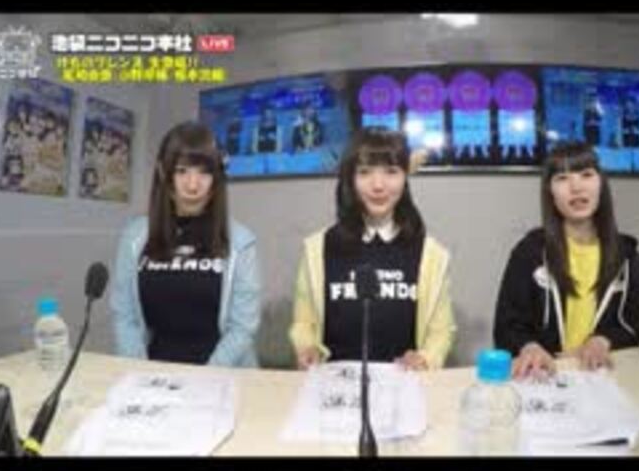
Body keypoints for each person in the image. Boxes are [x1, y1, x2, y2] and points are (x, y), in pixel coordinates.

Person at [290, 128, 454, 370]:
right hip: (333, 382)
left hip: (404, 383)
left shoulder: (431, 255)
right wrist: (307, 348)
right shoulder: (318, 248)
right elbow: (304, 323)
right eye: (365, 172)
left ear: (405, 177)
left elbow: (441, 331)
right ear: (350, 178)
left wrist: (426, 359)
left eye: (391, 172)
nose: (378, 185)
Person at [110, 121, 261, 367]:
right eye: (182, 171)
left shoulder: (240, 241)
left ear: (217, 176)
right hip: (152, 375)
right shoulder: (135, 237)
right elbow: (124, 318)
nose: (193, 185)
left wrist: (203, 378)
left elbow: (242, 328)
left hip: (222, 375)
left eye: (204, 172)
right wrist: (137, 371)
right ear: (163, 172)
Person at [493, 141, 639, 379]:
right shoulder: (529, 252)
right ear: (550, 193)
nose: (576, 187)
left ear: (601, 184)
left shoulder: (626, 255)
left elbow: (633, 326)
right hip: (545, 377)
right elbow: (506, 327)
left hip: (601, 376)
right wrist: (529, 347)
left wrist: (603, 340)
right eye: (562, 178)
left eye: (586, 175)